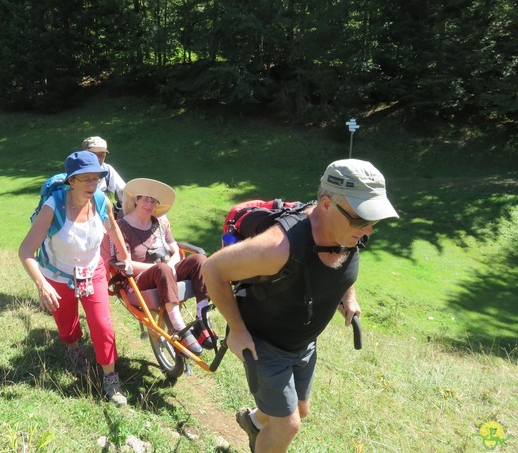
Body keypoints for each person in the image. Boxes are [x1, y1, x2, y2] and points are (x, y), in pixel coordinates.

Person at [203, 159, 399, 453]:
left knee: (301, 409)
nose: (369, 229)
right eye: (361, 219)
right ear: (326, 204)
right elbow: (212, 270)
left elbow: (344, 263)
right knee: (288, 423)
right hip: (264, 342)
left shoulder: (348, 230)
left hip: (303, 341)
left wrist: (348, 296)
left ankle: (254, 423)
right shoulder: (278, 247)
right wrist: (238, 331)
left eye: (373, 220)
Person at [18, 151, 133, 408]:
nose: (93, 185)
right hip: (57, 276)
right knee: (67, 325)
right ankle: (73, 348)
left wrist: (125, 255)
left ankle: (110, 378)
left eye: (97, 179)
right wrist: (42, 284)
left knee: (103, 326)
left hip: (94, 272)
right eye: (86, 179)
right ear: (72, 180)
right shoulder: (53, 208)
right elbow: (25, 251)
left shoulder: (101, 200)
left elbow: (112, 227)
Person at [109, 178, 214, 356]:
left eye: (154, 201)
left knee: (199, 260)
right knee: (162, 269)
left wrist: (172, 264)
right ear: (136, 199)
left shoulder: (158, 223)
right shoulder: (122, 228)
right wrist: (159, 267)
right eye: (145, 199)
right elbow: (125, 264)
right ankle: (179, 327)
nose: (149, 205)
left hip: (165, 272)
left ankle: (202, 318)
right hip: (138, 280)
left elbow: (175, 250)